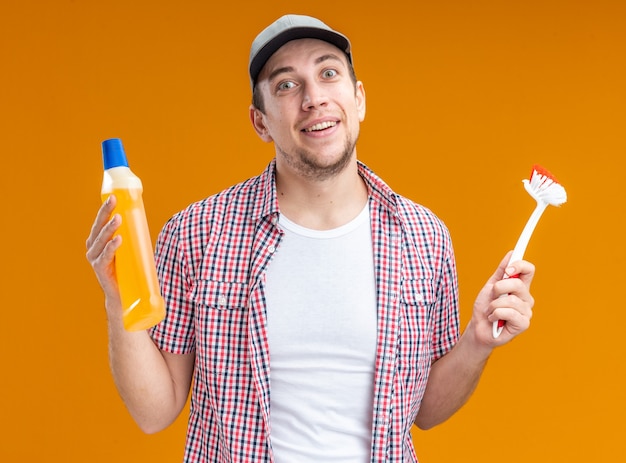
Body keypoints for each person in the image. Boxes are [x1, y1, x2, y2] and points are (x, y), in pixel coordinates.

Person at [86, 14, 535, 463]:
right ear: (260, 122)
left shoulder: (423, 236)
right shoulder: (197, 233)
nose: (314, 98)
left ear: (357, 99)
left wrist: (476, 343)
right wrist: (116, 299)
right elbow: (154, 412)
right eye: (286, 85)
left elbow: (426, 412)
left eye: (328, 73)